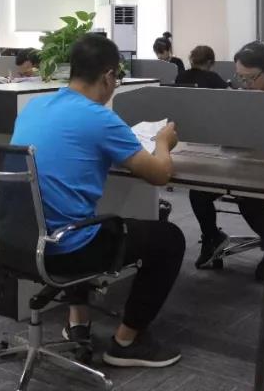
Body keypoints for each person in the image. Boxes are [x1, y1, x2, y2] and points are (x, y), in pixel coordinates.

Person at [12, 33, 185, 368]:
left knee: (82, 216)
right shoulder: (99, 118)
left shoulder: (35, 107)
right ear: (108, 76)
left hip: (19, 236)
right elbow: (159, 174)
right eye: (116, 78)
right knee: (169, 239)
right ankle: (126, 342)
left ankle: (78, 321)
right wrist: (164, 142)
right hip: (65, 248)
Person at [189, 42, 264, 280]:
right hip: (240, 163)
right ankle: (212, 238)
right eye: (240, 77)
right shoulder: (243, 95)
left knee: (250, 200)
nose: (245, 84)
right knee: (198, 191)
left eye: (250, 78)